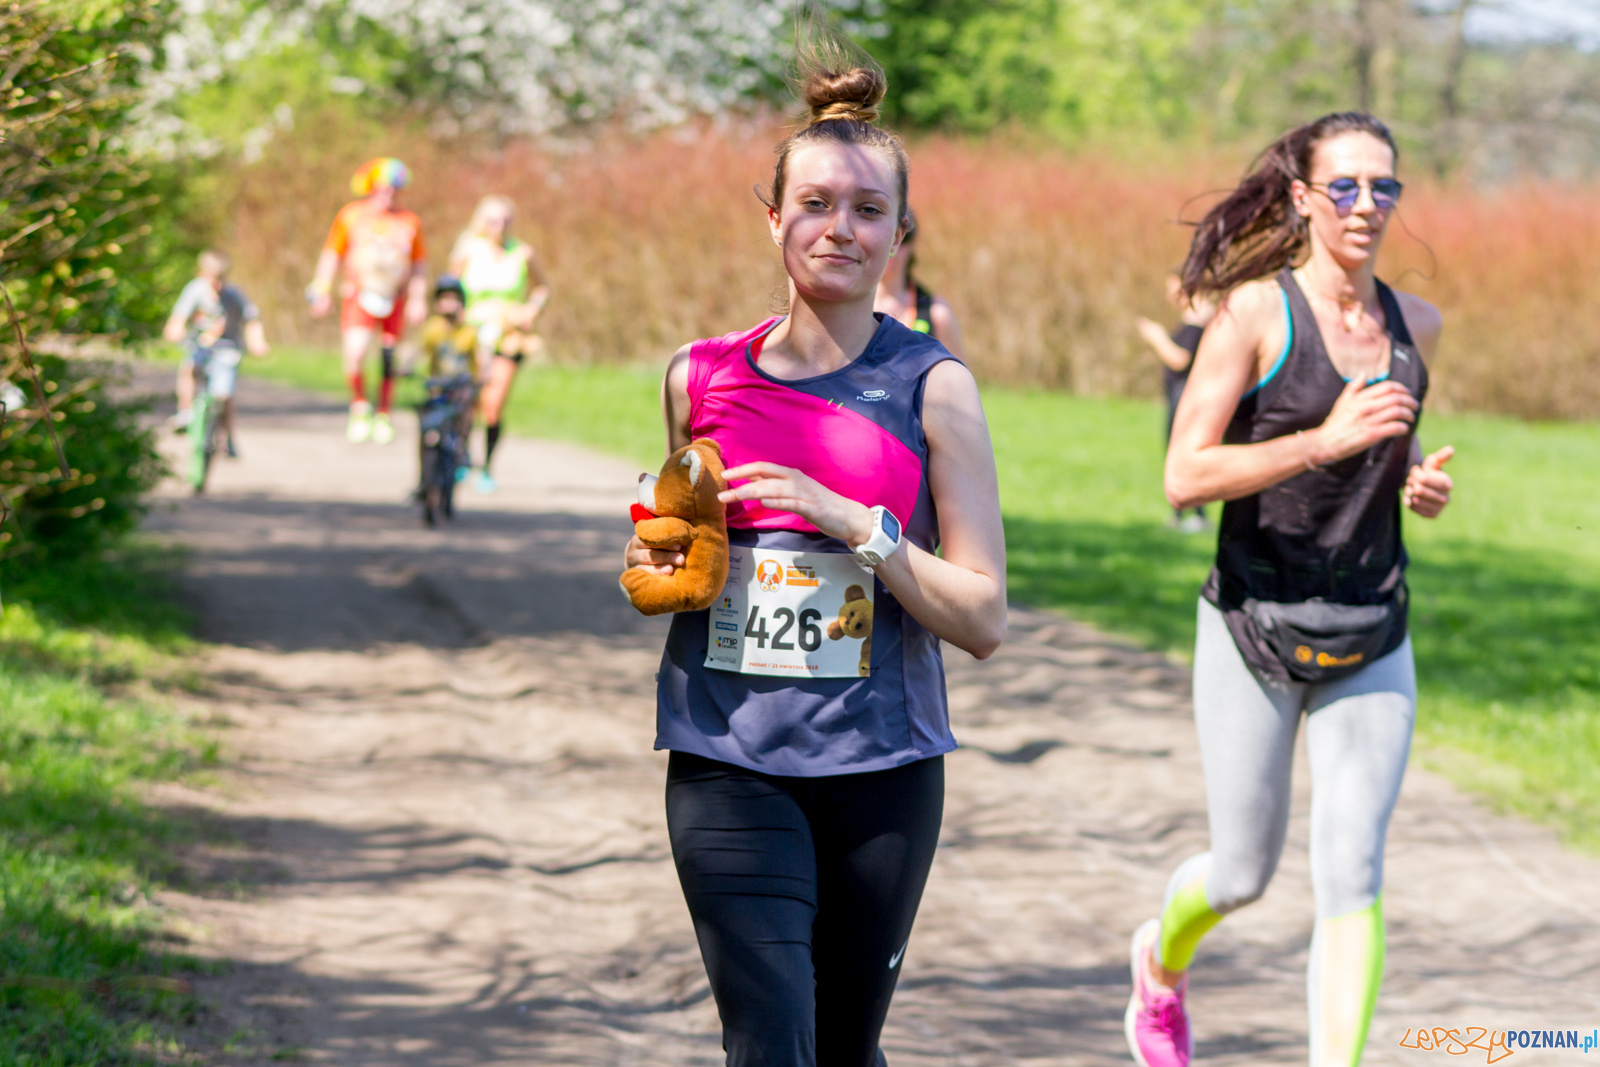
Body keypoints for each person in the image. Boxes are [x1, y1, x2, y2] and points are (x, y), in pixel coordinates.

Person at [621, 13, 1007, 1066]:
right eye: (815, 204)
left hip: (881, 766)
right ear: (774, 220)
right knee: (770, 1039)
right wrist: (665, 554)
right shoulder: (697, 376)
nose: (839, 228)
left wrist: (857, 526)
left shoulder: (934, 386)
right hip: (725, 753)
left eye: (867, 210)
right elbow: (683, 550)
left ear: (898, 232)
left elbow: (982, 616)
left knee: (841, 1047)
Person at [1124, 112, 1456, 1067]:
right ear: (1306, 198)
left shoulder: (1415, 325)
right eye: (1344, 186)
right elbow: (1184, 475)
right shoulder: (1255, 316)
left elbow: (1372, 466)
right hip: (1252, 629)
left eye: (1383, 187)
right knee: (1240, 873)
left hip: (1371, 628)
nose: (1366, 205)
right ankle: (1159, 958)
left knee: (1352, 870)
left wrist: (1412, 485)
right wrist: (1321, 440)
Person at [307, 157, 428, 445]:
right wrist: (321, 287)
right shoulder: (351, 216)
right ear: (372, 187)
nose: (389, 194)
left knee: (389, 356)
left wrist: (418, 298)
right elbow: (331, 254)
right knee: (356, 352)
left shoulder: (410, 222)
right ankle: (360, 406)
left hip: (394, 297)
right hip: (359, 295)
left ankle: (384, 413)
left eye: (395, 189)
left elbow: (419, 263)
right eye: (384, 188)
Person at [446, 194, 550, 493]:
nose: (499, 226)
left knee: (494, 403)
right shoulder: (468, 249)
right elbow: (449, 288)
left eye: (505, 220)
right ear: (481, 221)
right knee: (470, 397)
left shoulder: (522, 253)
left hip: (508, 333)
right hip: (472, 332)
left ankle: (487, 466)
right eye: (493, 220)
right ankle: (461, 458)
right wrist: (455, 314)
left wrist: (532, 308)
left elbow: (543, 287)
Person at [163, 248, 270, 454]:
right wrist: (174, 329)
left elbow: (252, 320)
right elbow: (178, 318)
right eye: (213, 279)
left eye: (221, 279)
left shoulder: (234, 295)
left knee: (224, 395)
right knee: (189, 368)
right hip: (200, 346)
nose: (217, 284)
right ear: (201, 274)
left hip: (227, 349)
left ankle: (227, 436)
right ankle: (185, 414)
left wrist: (257, 342)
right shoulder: (194, 290)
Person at [1136, 276, 1218, 533]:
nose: (1172, 297)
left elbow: (1179, 359)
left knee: (1184, 451)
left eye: (1176, 290)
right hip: (1180, 394)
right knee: (1176, 450)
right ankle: (1181, 513)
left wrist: (1157, 337)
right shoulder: (1195, 319)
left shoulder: (1200, 321)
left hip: (1186, 396)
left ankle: (1197, 514)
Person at [872, 207, 966, 359]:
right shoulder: (851, 308)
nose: (893, 249)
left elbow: (960, 380)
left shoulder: (937, 315)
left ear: (912, 246)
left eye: (902, 240)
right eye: (884, 239)